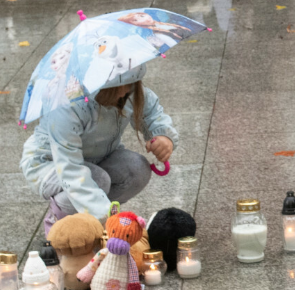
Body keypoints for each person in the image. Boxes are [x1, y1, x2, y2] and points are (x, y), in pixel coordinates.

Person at [22, 65, 178, 237]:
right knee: (96, 179)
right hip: (49, 162)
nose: (125, 92)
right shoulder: (68, 105)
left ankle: (92, 218)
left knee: (137, 169)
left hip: (99, 157)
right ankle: (60, 223)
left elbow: (152, 114)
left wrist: (163, 136)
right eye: (119, 87)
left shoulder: (130, 91)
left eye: (131, 84)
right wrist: (108, 217)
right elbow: (70, 168)